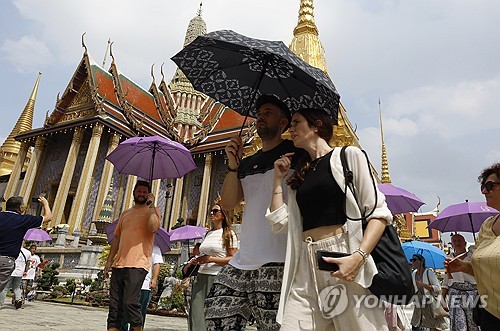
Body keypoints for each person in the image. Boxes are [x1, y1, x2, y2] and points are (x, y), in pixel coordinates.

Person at [266, 108, 392, 330]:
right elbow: (279, 222)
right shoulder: (300, 175)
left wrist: (358, 257)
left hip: (343, 255)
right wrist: (278, 180)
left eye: (296, 123)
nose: (290, 129)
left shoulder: (348, 156)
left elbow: (378, 213)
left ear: (315, 126)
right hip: (305, 262)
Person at [205, 95, 297, 330]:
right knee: (217, 318)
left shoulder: (295, 154)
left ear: (283, 123)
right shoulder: (247, 163)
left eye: (268, 113)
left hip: (278, 260)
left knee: (272, 327)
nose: (260, 117)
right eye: (259, 113)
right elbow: (228, 202)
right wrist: (233, 164)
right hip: (243, 259)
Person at [445, 162, 500, 330]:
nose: (484, 191)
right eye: (483, 186)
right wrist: (463, 267)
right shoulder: (487, 226)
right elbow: (484, 270)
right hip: (490, 313)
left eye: (490, 186)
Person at [104, 180, 161, 331]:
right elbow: (116, 238)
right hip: (119, 263)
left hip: (138, 263)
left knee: (130, 303)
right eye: (139, 191)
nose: (141, 194)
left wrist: (151, 205)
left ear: (148, 194)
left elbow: (154, 227)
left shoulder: (152, 211)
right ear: (134, 193)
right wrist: (109, 261)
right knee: (115, 307)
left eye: (144, 192)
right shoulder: (125, 213)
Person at [188, 203, 238, 330]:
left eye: (215, 211)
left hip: (217, 277)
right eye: (211, 211)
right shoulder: (207, 234)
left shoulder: (229, 234)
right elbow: (203, 254)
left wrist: (210, 259)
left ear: (223, 215)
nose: (211, 213)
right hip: (201, 275)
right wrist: (197, 258)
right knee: (196, 312)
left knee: (213, 313)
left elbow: (233, 258)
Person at [0, 196, 51, 294]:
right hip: (6, 261)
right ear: (21, 208)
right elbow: (48, 217)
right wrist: (45, 204)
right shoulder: (23, 220)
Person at [121, 245, 163, 331]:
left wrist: (154, 279)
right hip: (129, 283)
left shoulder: (155, 248)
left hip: (144, 284)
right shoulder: (133, 245)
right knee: (124, 310)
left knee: (139, 312)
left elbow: (156, 264)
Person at [441, 233, 478, 331]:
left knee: (473, 323)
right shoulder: (449, 260)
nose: (457, 243)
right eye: (454, 241)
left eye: (459, 240)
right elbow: (446, 281)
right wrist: (442, 298)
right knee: (459, 324)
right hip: (455, 293)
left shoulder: (474, 258)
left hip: (472, 293)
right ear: (451, 244)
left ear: (465, 243)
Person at [410, 254, 449, 331]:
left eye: (414, 260)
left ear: (421, 262)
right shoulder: (414, 273)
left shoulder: (429, 273)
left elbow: (438, 288)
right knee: (417, 324)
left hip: (430, 303)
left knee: (434, 326)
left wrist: (423, 285)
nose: (412, 262)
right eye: (411, 260)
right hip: (419, 303)